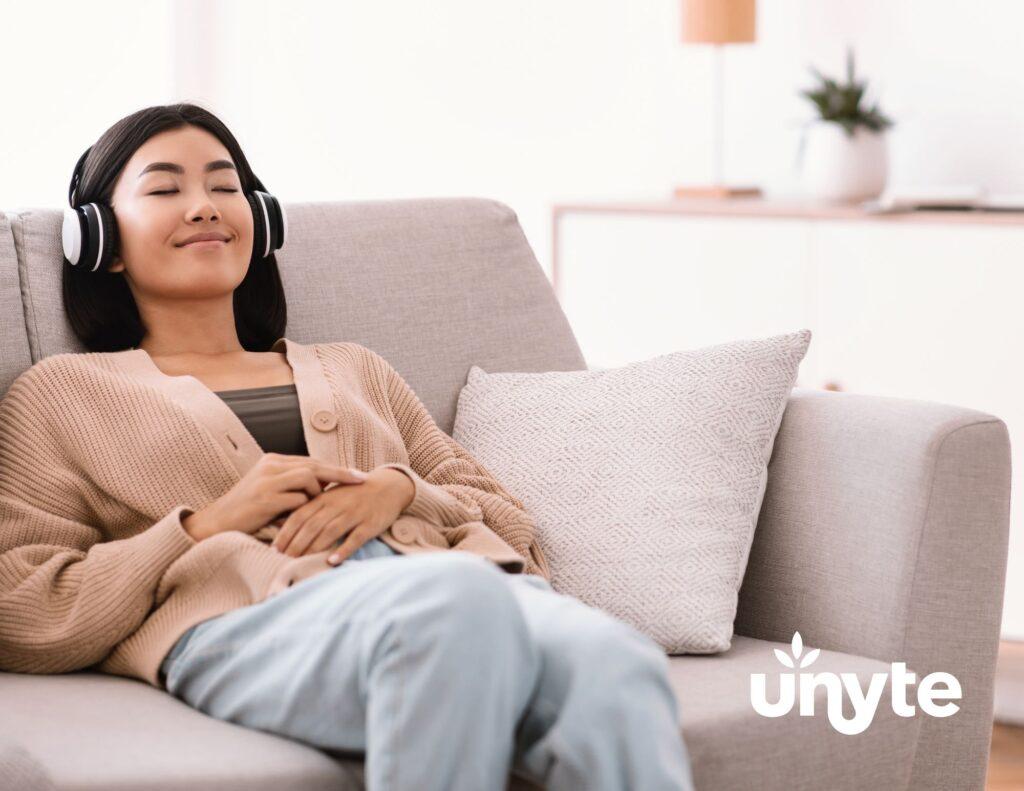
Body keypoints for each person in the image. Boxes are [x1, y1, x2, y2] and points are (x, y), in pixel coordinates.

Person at [0, 103, 695, 790]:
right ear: (101, 239)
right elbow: (21, 602)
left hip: (457, 589)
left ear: (260, 219)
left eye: (224, 185)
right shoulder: (63, 393)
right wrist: (207, 525)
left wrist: (399, 489)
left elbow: (507, 520)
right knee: (455, 605)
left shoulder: (354, 368)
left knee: (616, 661)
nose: (205, 207)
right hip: (251, 620)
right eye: (164, 190)